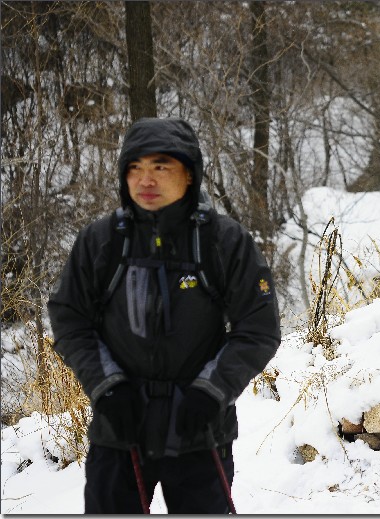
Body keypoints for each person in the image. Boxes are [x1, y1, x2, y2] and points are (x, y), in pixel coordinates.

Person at [48, 117, 282, 513]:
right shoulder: (101, 241)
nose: (145, 179)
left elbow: (258, 330)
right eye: (134, 168)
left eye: (160, 166)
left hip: (199, 430)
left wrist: (211, 393)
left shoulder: (224, 242)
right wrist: (107, 387)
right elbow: (70, 318)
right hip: (119, 430)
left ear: (189, 174)